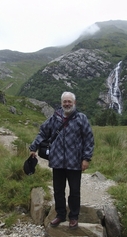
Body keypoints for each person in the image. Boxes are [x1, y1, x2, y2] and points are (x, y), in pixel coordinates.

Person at [29, 92, 94, 229]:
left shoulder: (81, 118)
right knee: (58, 190)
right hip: (57, 161)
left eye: (69, 101)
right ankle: (60, 215)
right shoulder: (55, 118)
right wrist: (33, 147)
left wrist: (86, 158)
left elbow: (89, 139)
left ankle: (74, 217)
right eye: (65, 101)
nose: (67, 104)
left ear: (74, 103)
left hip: (75, 162)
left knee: (74, 191)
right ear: (61, 103)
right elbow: (43, 132)